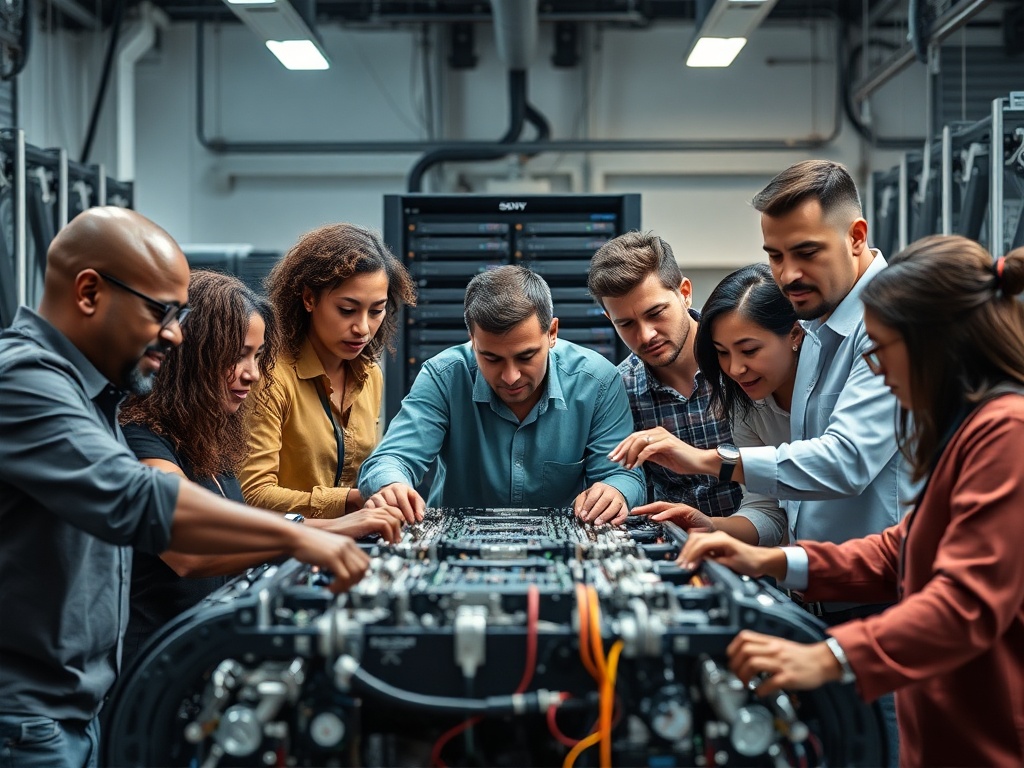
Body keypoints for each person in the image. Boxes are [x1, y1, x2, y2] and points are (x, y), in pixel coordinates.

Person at [0, 207, 370, 767]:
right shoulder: (23, 382)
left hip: (71, 712)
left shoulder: (92, 396)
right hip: (27, 722)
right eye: (161, 312)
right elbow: (136, 500)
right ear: (89, 292)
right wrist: (304, 538)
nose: (173, 334)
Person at [679, 236, 1024, 768]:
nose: (879, 372)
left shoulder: (1007, 433)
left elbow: (966, 603)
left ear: (932, 344)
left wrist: (831, 656)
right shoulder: (967, 430)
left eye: (881, 351)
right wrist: (772, 561)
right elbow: (902, 550)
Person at [119, 271, 405, 664]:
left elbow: (240, 529)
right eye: (236, 355)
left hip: (204, 656)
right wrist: (304, 541)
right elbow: (187, 551)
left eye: (256, 355)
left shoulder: (210, 439)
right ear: (190, 355)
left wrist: (343, 527)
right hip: (156, 670)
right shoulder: (140, 439)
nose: (252, 373)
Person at [358, 265, 646, 525]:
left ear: (552, 332)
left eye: (526, 356)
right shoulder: (443, 376)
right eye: (491, 358)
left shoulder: (598, 382)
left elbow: (623, 475)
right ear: (472, 340)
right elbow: (391, 458)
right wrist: (390, 485)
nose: (511, 377)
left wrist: (615, 490)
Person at [240, 223, 417, 522]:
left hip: (347, 545)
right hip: (282, 552)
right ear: (309, 299)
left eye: (376, 311)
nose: (362, 328)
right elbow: (252, 495)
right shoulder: (269, 377)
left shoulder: (370, 375)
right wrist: (353, 501)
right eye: (347, 310)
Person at [626, 263, 799, 546]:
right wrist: (709, 526)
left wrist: (703, 460)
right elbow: (766, 509)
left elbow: (828, 465)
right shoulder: (745, 402)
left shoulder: (834, 382)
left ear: (795, 335)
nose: (735, 368)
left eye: (749, 350)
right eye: (722, 353)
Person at [587, 231, 743, 517]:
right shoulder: (619, 391)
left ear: (684, 293)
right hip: (679, 552)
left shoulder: (740, 360)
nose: (646, 335)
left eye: (656, 312)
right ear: (610, 320)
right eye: (626, 324)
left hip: (768, 543)